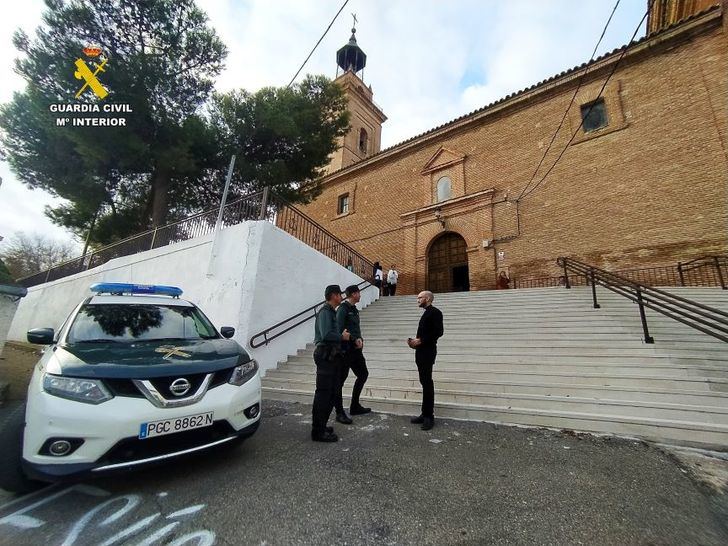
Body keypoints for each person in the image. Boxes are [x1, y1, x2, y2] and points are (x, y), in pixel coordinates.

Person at [311, 285, 350, 442]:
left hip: (331, 356)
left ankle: (321, 426)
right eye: (340, 294)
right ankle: (318, 431)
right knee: (324, 394)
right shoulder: (326, 312)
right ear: (334, 295)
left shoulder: (330, 312)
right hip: (325, 355)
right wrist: (342, 337)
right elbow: (326, 334)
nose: (342, 297)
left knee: (332, 393)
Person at [334, 285, 371, 422]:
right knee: (340, 381)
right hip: (345, 350)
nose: (360, 296)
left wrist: (360, 339)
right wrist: (354, 339)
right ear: (354, 294)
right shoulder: (343, 309)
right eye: (359, 293)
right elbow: (339, 329)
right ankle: (339, 412)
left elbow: (356, 329)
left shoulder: (354, 310)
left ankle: (354, 406)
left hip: (356, 350)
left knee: (363, 374)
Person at [407, 291, 443, 431]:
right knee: (424, 382)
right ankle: (424, 413)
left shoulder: (435, 312)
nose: (417, 300)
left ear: (427, 299)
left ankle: (429, 416)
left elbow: (438, 332)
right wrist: (414, 342)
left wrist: (421, 340)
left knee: (427, 382)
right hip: (421, 352)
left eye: (420, 298)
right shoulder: (426, 312)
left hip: (427, 352)